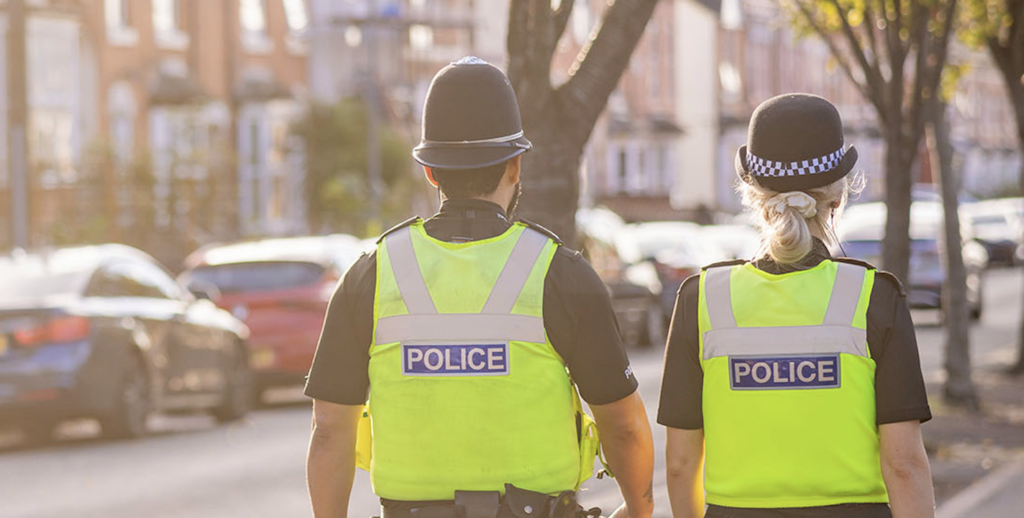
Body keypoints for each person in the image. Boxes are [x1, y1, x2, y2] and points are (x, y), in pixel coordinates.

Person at [305, 57, 654, 518]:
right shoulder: (560, 273)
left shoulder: (372, 274)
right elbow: (623, 425)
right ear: (515, 166)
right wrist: (638, 508)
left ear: (430, 171)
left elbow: (330, 429)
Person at [658, 94, 935, 518]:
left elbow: (679, 466)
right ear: (838, 198)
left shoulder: (702, 299)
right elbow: (904, 465)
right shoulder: (873, 296)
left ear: (753, 195)